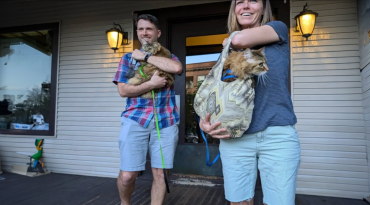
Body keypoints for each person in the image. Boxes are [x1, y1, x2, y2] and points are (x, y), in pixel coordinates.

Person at [199, 0, 301, 205]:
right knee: (239, 203)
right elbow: (217, 92)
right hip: (235, 137)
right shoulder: (227, 51)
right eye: (239, 2)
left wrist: (229, 39)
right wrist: (206, 120)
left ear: (263, 7)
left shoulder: (277, 29)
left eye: (253, 1)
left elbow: (239, 39)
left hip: (277, 135)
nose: (245, 6)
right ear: (234, 10)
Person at [112, 14, 182, 205]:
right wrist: (151, 84)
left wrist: (145, 56)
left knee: (160, 174)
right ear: (137, 32)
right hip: (135, 118)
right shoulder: (128, 59)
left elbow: (176, 68)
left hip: (166, 121)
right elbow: (123, 90)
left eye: (149, 29)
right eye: (141, 29)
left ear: (157, 33)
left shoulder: (169, 57)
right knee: (128, 175)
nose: (145, 33)